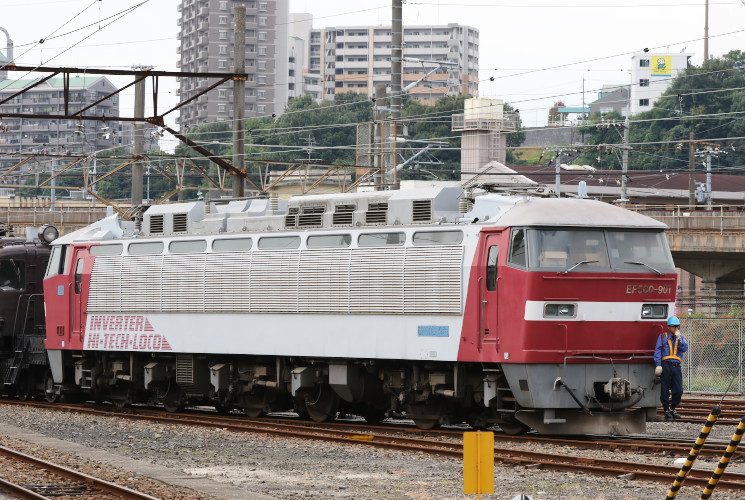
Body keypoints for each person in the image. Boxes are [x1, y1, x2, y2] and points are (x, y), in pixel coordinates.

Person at [654, 316, 689, 421]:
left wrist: (679, 339)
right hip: (666, 365)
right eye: (673, 326)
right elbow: (658, 351)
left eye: (677, 326)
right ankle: (666, 409)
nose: (676, 328)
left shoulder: (681, 338)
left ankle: (673, 408)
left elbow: (684, 348)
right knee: (665, 389)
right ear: (669, 327)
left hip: (676, 366)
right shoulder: (663, 337)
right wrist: (658, 365)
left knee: (678, 389)